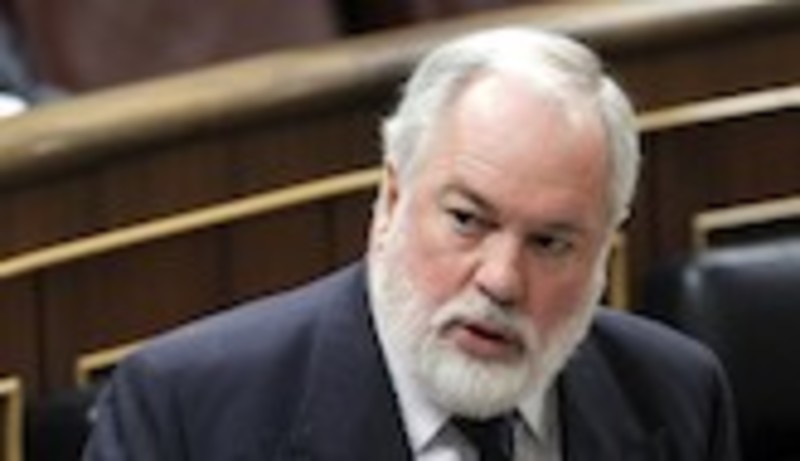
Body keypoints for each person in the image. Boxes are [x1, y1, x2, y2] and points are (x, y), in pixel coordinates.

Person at [83, 28, 739, 460]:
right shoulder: (185, 413)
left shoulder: (676, 397)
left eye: (549, 243)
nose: (501, 279)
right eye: (467, 220)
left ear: (602, 256)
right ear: (391, 200)